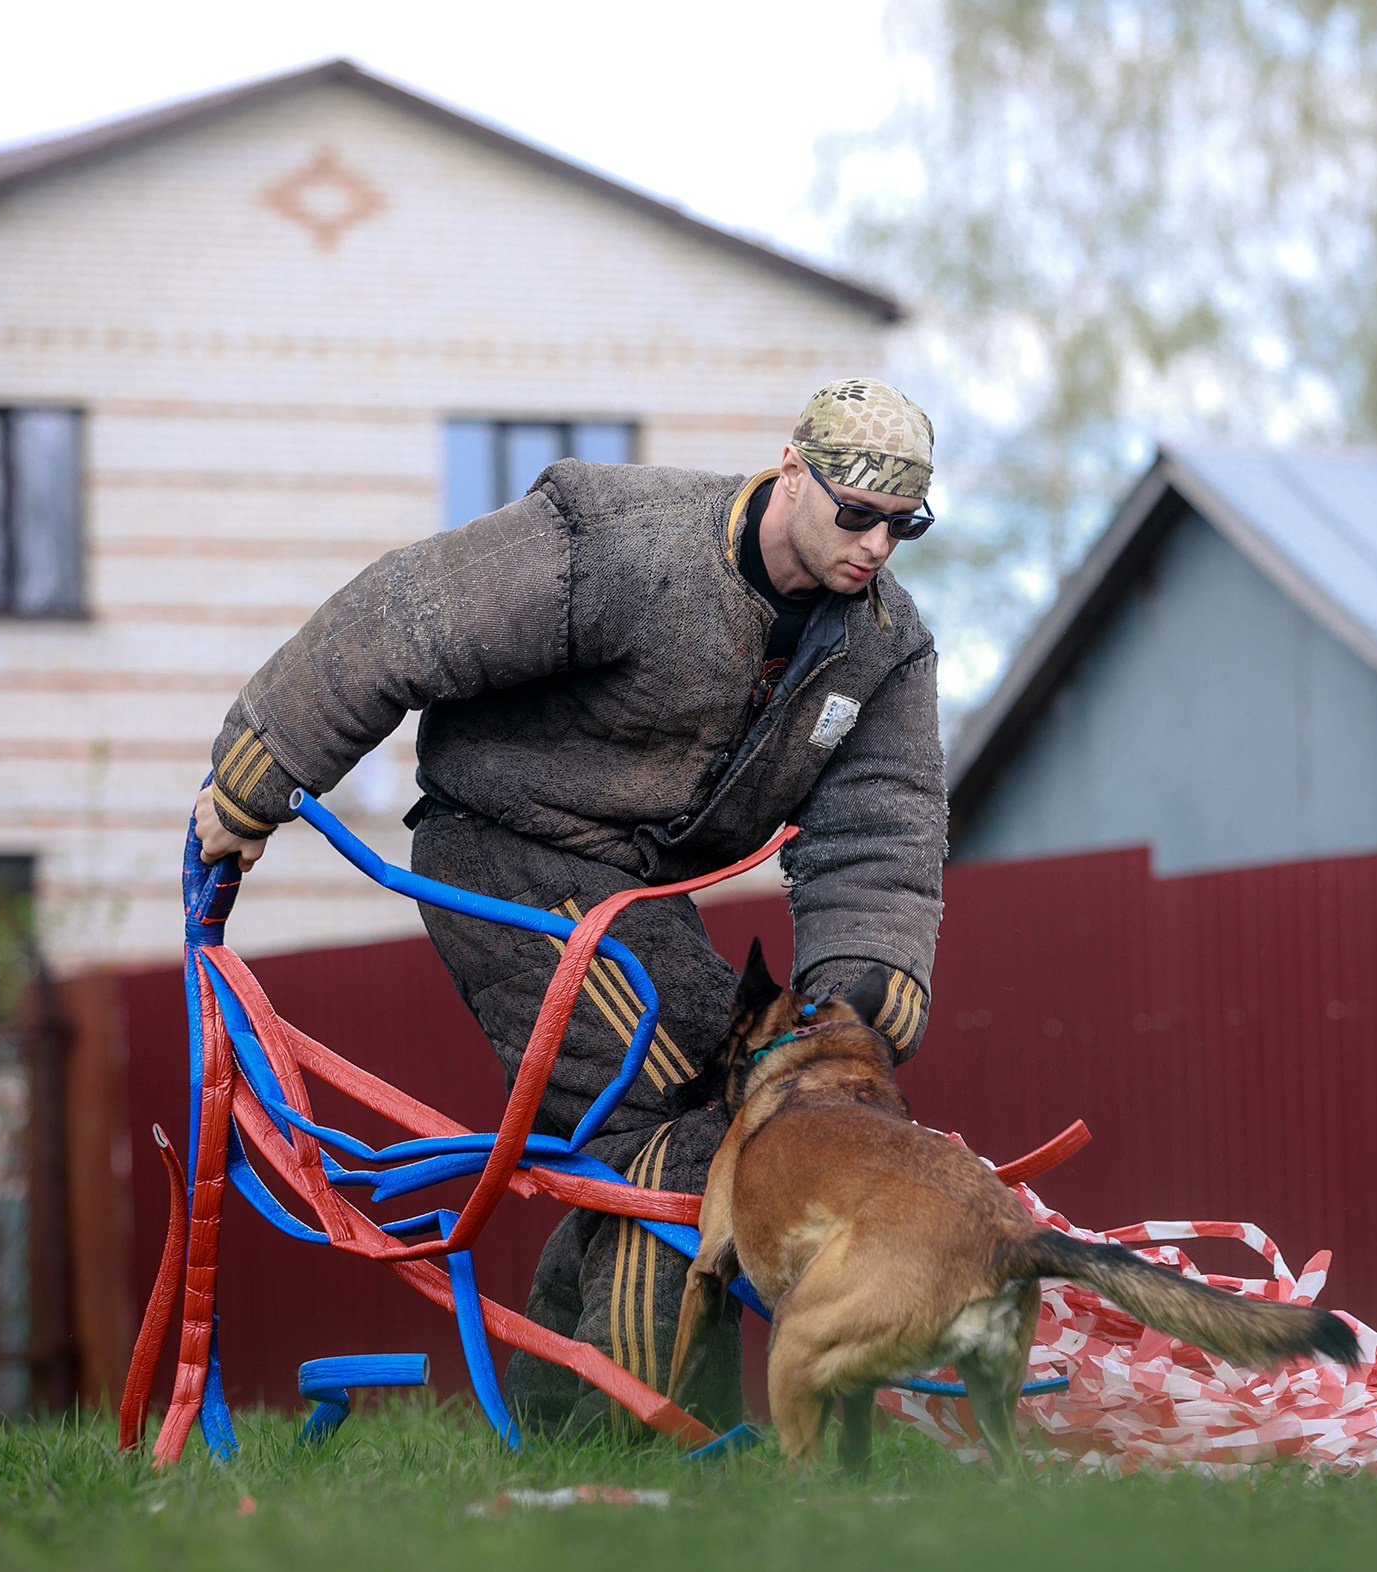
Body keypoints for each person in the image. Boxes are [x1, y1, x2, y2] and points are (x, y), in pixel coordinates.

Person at [191, 379, 945, 1431]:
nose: (876, 546)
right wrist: (254, 778)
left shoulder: (882, 644)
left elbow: (881, 824)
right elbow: (400, 616)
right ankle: (635, 1429)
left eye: (903, 525)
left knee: (743, 1096)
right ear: (790, 471)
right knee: (683, 1104)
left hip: (626, 886)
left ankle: (562, 1418)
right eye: (855, 514)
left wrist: (857, 996)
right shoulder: (618, 541)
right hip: (501, 850)